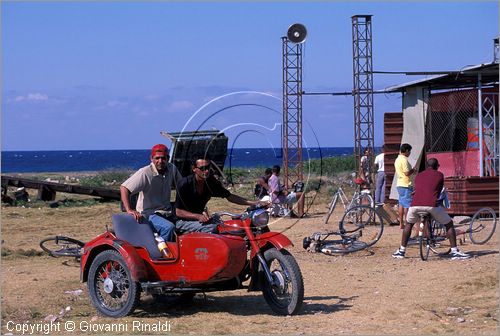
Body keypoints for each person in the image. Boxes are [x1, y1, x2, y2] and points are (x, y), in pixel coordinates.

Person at [392, 158, 470, 260]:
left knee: (408, 225)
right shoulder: (439, 175)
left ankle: (401, 251)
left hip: (414, 205)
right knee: (449, 224)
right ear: (437, 166)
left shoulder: (419, 175)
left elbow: (418, 189)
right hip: (431, 205)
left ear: (426, 166)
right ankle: (454, 251)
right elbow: (438, 191)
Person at [175, 157, 268, 234]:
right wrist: (198, 216)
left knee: (231, 227)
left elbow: (230, 196)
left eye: (208, 167)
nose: (207, 171)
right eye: (203, 168)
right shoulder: (184, 184)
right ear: (194, 168)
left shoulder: (210, 182)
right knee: (213, 229)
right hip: (183, 222)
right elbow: (178, 212)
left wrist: (256, 203)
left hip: (201, 220)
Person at [120, 144, 182, 257]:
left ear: (168, 158)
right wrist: (129, 210)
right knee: (168, 227)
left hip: (167, 211)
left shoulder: (172, 169)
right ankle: (160, 256)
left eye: (163, 158)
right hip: (149, 214)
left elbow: (182, 187)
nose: (160, 161)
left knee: (187, 225)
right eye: (157, 158)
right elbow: (124, 188)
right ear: (151, 159)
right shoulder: (145, 172)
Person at [394, 143, 415, 229]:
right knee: (408, 205)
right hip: (406, 184)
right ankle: (407, 223)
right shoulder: (404, 160)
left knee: (401, 204)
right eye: (409, 151)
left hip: (399, 184)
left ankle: (401, 223)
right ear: (406, 151)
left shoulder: (397, 159)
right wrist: (413, 170)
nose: (410, 153)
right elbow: (407, 173)